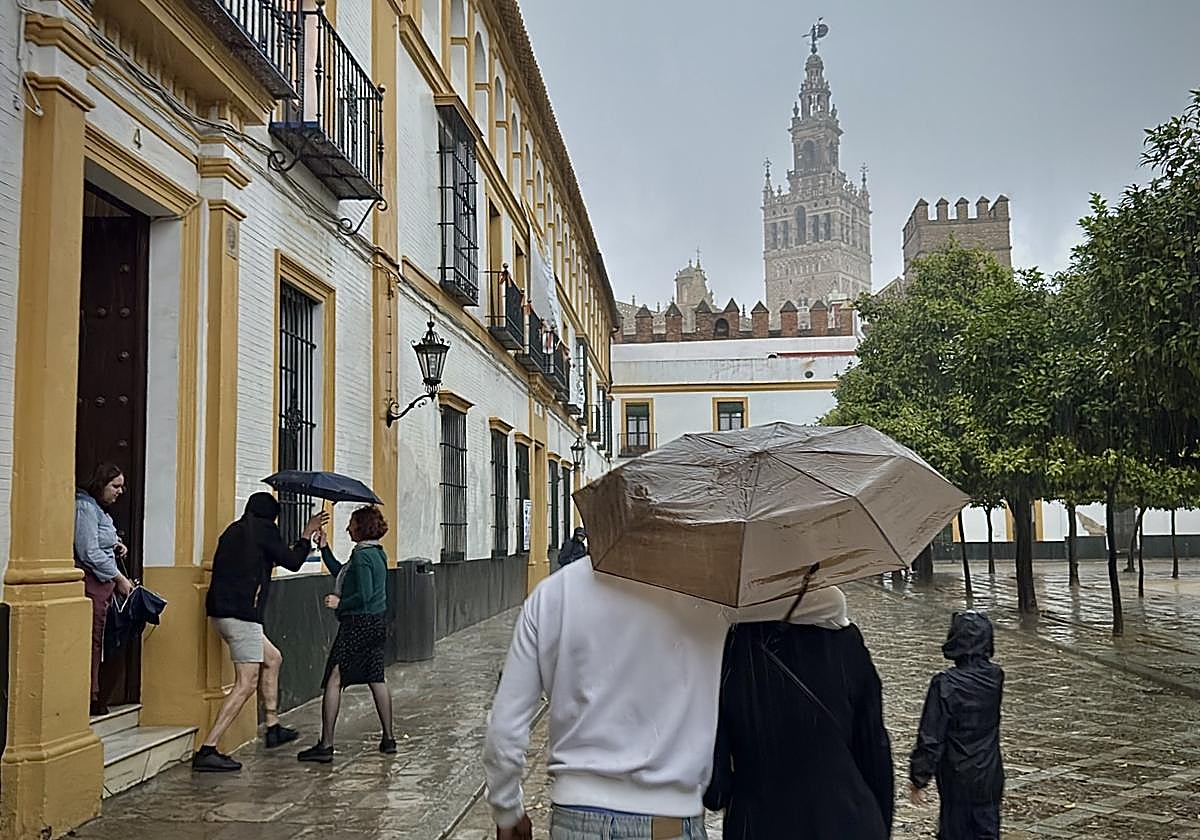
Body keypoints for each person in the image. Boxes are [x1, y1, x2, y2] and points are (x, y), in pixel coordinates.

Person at [484, 556, 781, 840]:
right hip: (672, 819)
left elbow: (504, 731)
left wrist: (508, 812)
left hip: (576, 815)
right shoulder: (712, 598)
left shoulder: (553, 594)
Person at [704, 587, 894, 839]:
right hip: (847, 821)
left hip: (760, 825)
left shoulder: (732, 646)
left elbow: (716, 789)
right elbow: (875, 751)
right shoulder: (846, 641)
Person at [192, 493, 327, 772]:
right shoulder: (264, 531)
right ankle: (208, 748)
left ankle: (273, 725)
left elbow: (265, 559)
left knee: (273, 658)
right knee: (246, 683)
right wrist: (306, 534)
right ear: (272, 516)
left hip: (220, 613)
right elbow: (291, 561)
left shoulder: (235, 530)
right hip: (242, 616)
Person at [298, 505, 395, 763]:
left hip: (358, 625)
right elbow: (343, 573)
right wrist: (325, 548)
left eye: (351, 523)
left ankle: (326, 744)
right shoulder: (376, 553)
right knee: (376, 677)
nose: (347, 528)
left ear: (361, 527)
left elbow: (363, 594)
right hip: (376, 623)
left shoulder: (362, 557)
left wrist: (340, 603)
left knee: (334, 679)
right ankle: (388, 738)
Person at [908, 610, 1005, 840]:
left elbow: (931, 736)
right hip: (990, 774)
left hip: (957, 778)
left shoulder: (945, 684)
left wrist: (918, 778)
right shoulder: (996, 677)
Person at [74, 463, 135, 716]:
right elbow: (87, 550)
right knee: (94, 639)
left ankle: (97, 693)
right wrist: (119, 577)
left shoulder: (99, 510)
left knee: (104, 639)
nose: (120, 491)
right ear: (100, 484)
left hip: (104, 583)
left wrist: (116, 545)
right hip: (94, 582)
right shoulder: (85, 507)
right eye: (115, 486)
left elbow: (99, 541)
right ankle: (89, 695)